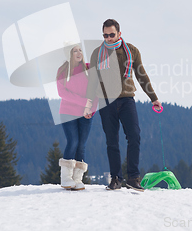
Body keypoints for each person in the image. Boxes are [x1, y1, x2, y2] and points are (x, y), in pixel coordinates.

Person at [84, 19, 161, 191]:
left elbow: (142, 75)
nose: (109, 38)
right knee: (112, 141)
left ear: (119, 33)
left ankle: (133, 178)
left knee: (134, 136)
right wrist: (88, 105)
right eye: (105, 35)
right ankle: (116, 178)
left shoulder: (131, 51)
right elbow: (93, 81)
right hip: (106, 101)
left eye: (112, 34)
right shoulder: (97, 53)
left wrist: (153, 98)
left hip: (126, 100)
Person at [56, 43, 97, 190]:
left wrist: (91, 109)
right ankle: (66, 178)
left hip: (86, 113)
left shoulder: (88, 69)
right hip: (67, 111)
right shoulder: (63, 70)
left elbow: (96, 90)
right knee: (72, 141)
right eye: (75, 51)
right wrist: (84, 102)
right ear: (69, 54)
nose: (79, 53)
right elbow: (62, 93)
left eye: (80, 50)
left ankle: (78, 179)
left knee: (81, 145)